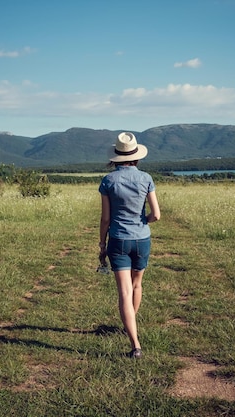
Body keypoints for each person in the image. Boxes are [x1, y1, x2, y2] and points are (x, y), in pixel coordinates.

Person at [98, 132, 160, 359]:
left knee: (124, 291)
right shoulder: (146, 178)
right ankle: (130, 322)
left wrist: (101, 243)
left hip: (118, 240)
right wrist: (144, 221)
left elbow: (105, 218)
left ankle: (135, 344)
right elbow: (157, 214)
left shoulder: (108, 181)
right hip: (142, 238)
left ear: (116, 156)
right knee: (136, 285)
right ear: (135, 155)